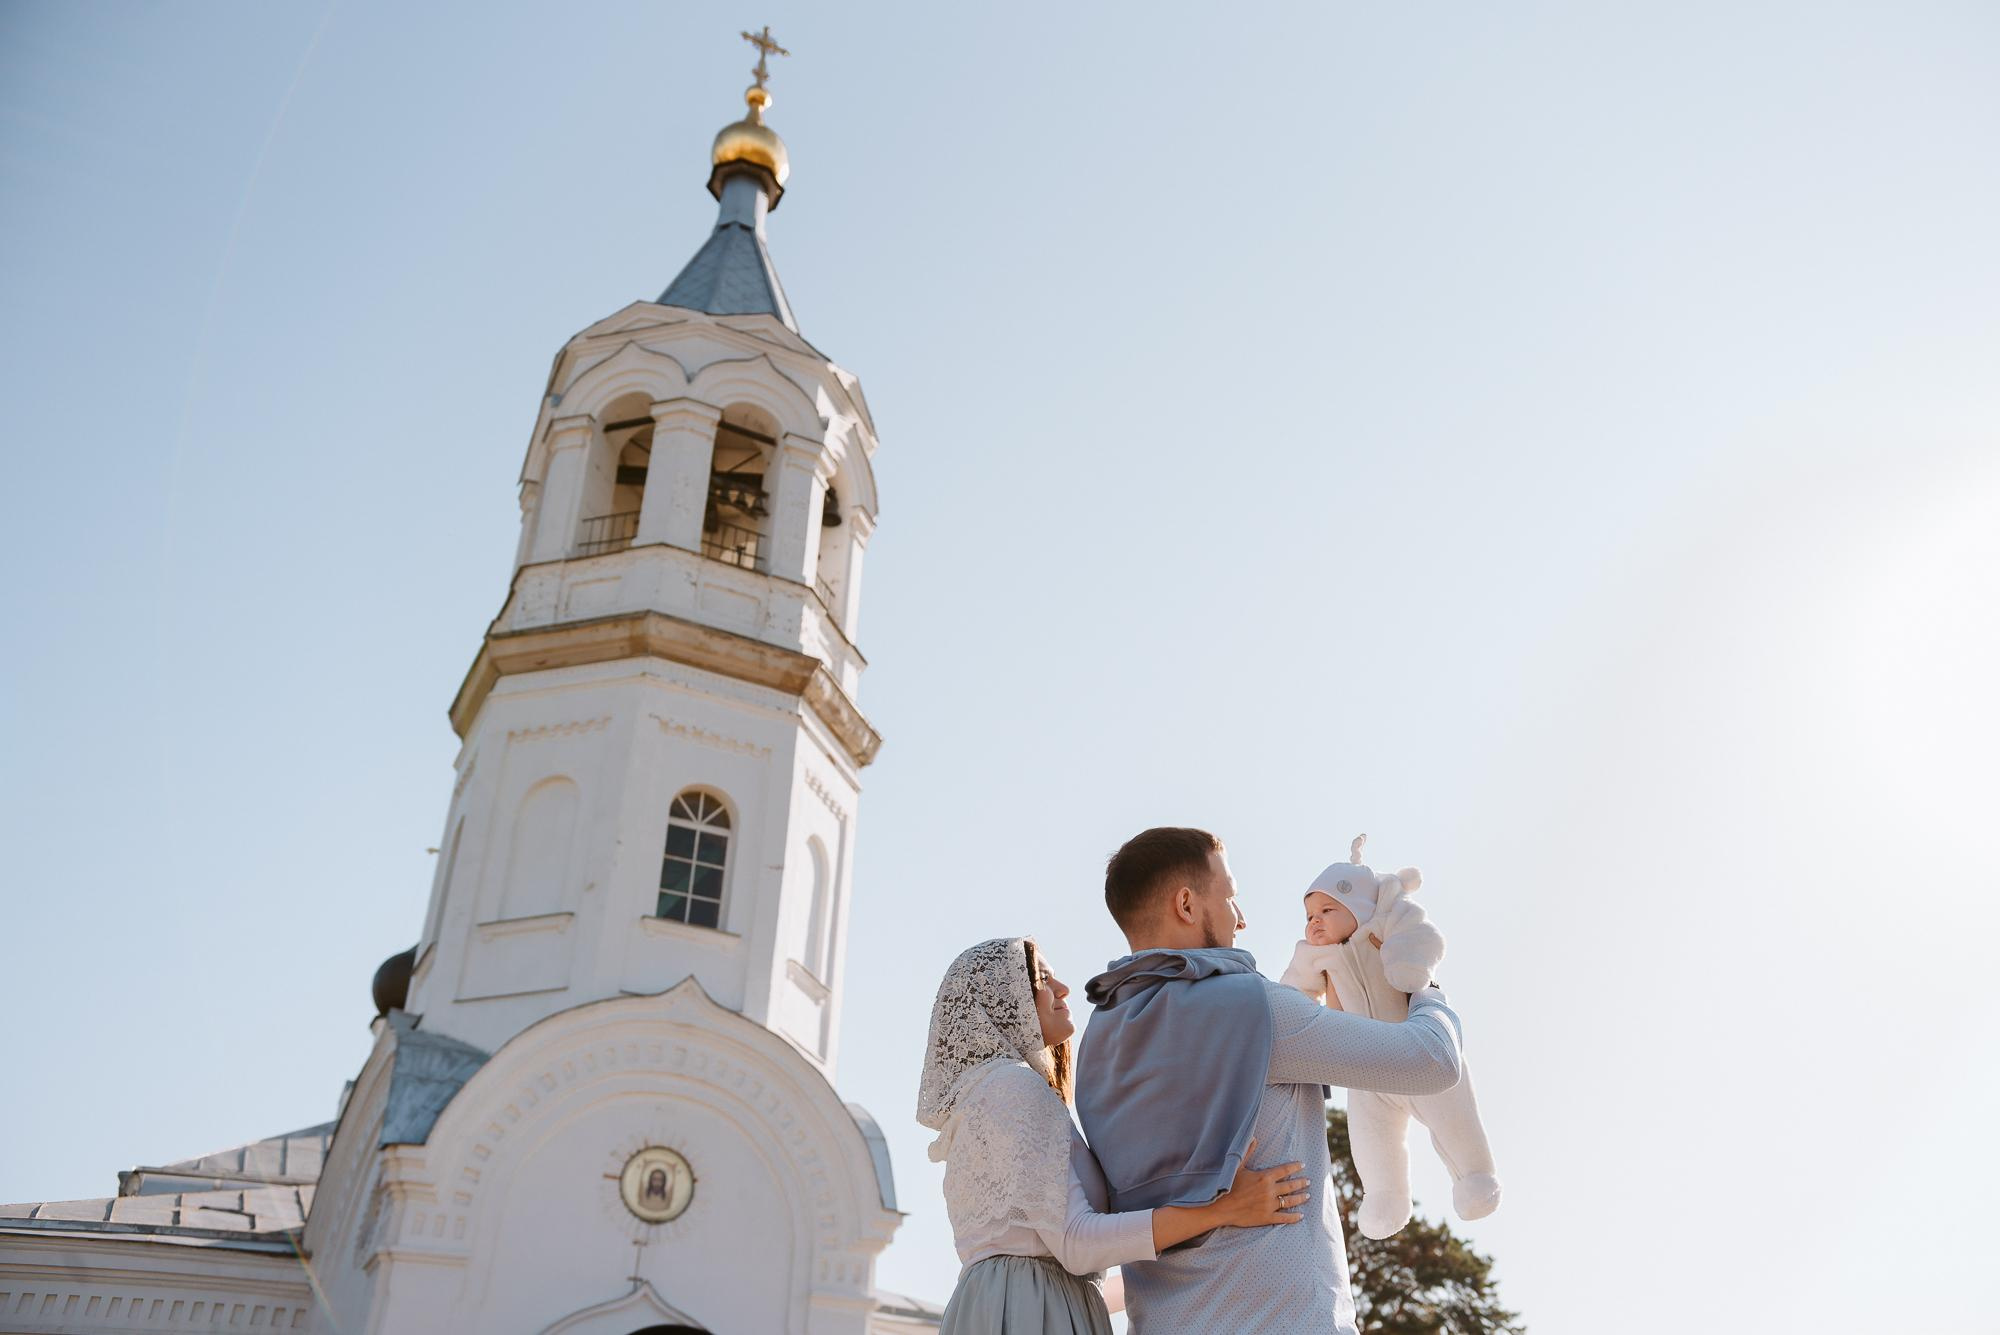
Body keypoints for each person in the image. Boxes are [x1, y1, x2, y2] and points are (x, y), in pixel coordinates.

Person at [1075, 828, 1467, 1333]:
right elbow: (1432, 1060)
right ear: (1187, 905)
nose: (1241, 919)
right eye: (1230, 896)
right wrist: (1421, 978)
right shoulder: (1255, 1010)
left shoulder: (1096, 1048)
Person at [918, 936, 1310, 1334]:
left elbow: (1071, 1257)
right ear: (1001, 999)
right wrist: (1224, 1210)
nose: (1062, 989)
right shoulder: (1012, 1089)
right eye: (1041, 978)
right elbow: (1077, 1243)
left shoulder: (987, 1095)